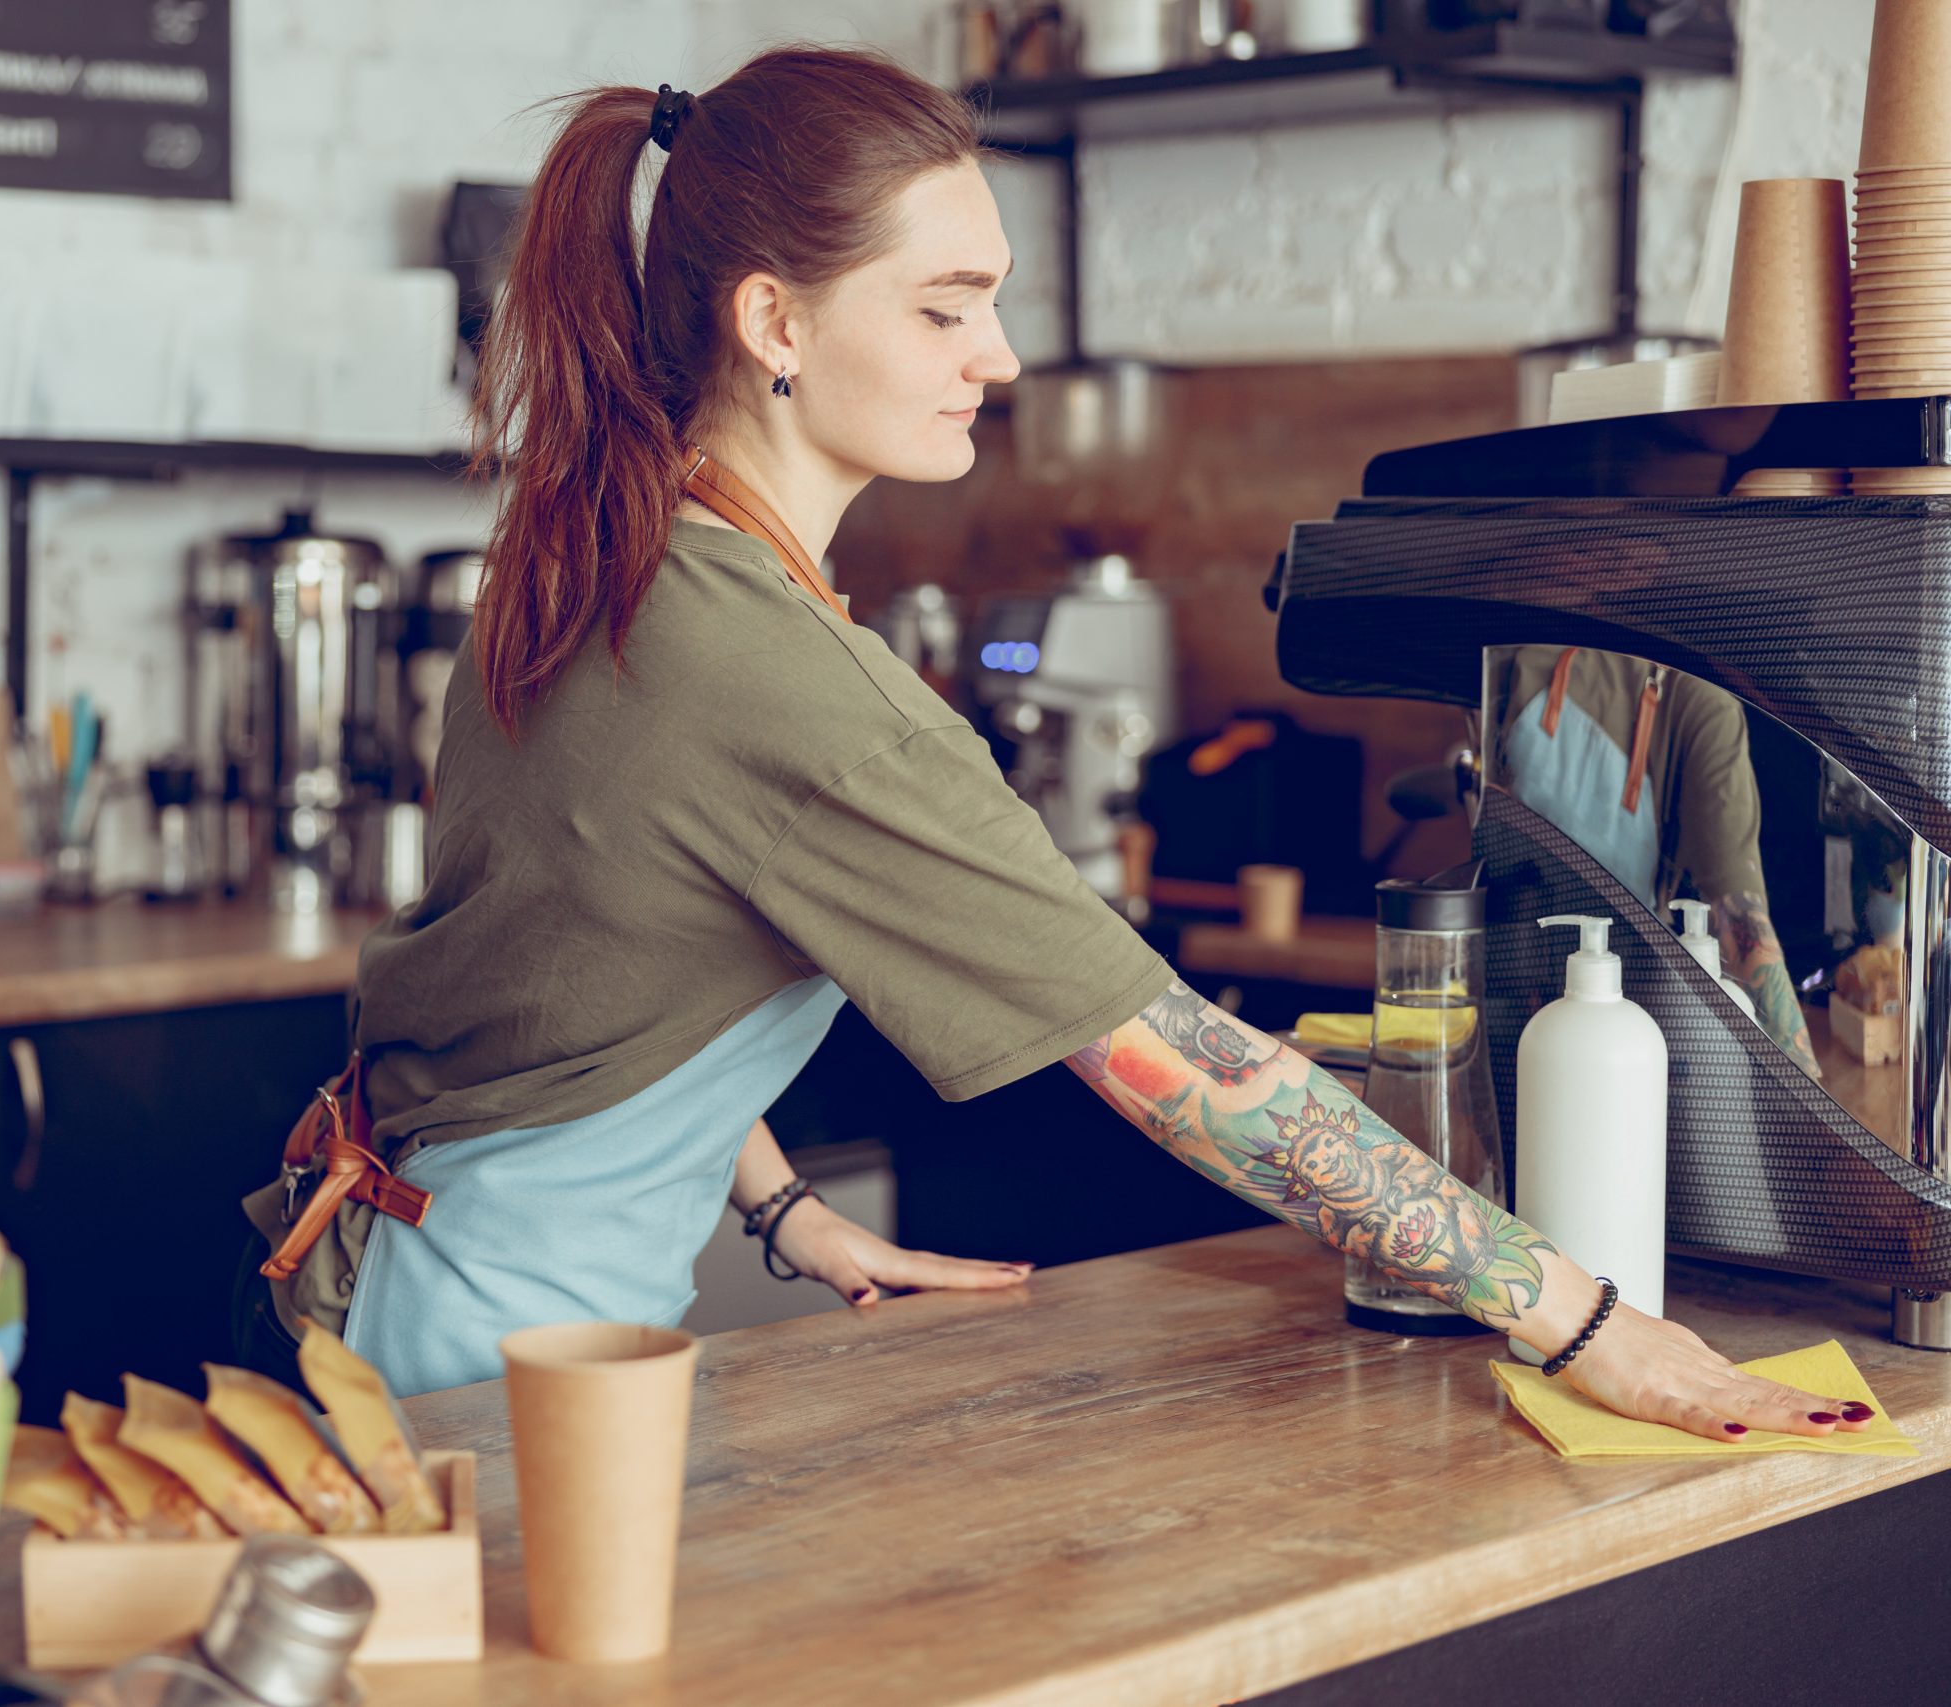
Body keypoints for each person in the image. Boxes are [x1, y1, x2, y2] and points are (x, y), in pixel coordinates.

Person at [235, 45, 1874, 1447]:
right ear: (773, 321)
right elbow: (1186, 1068)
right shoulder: (782, 679)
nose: (1000, 359)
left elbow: (603, 935)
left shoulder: (602, 549)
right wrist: (1583, 1321)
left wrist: (785, 1209)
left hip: (383, 1297)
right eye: (948, 308)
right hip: (479, 1381)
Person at [1493, 644, 1820, 1077]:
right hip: (1574, 1007)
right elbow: (1739, 917)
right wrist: (1806, 1083)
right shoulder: (1706, 705)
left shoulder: (1518, 648)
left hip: (1542, 1000)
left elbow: (1740, 918)